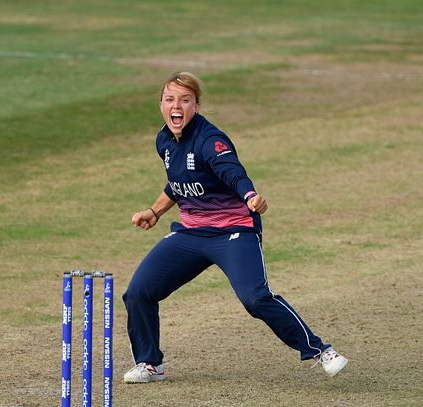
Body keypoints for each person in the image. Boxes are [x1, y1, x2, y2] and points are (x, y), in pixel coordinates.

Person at [122, 71, 347, 384]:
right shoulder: (164, 140)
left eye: (185, 100)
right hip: (191, 233)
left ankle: (321, 350)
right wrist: (155, 211)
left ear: (196, 106)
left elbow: (232, 173)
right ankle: (150, 364)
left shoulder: (211, 141)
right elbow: (179, 183)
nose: (177, 106)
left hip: (233, 232)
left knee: (255, 298)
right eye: (170, 99)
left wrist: (250, 195)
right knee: (138, 292)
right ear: (161, 104)